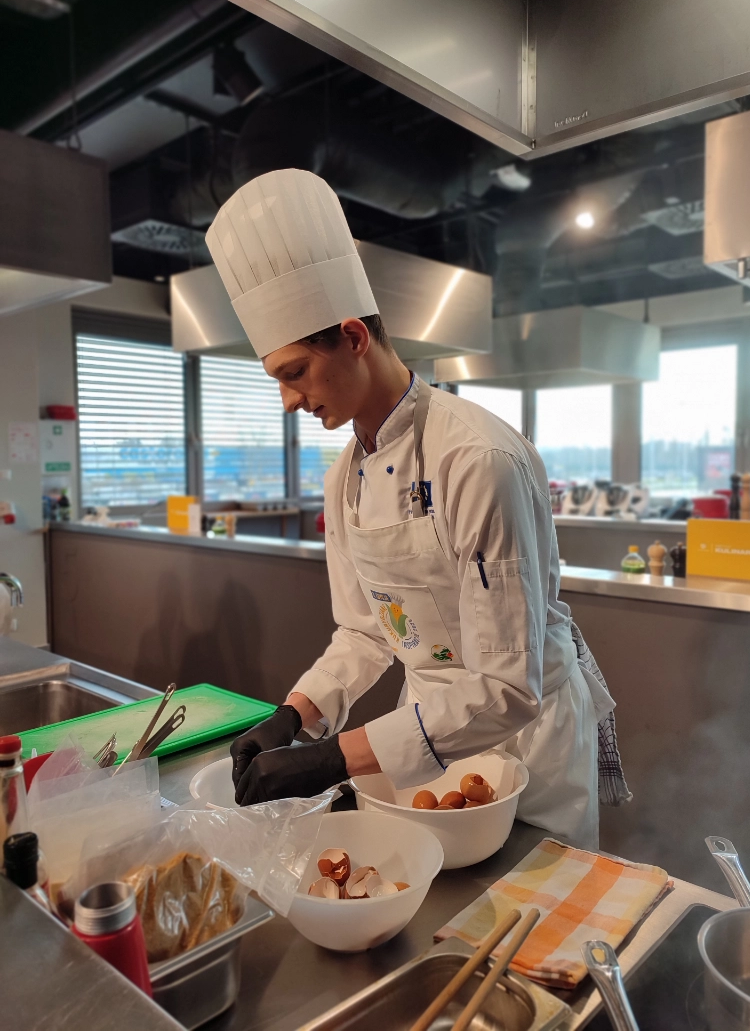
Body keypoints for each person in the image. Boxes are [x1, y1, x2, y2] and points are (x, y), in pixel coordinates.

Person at [206, 168, 628, 849]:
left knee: (529, 899)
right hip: (422, 733)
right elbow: (368, 633)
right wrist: (296, 715)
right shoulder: (346, 478)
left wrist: (334, 759)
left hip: (529, 740)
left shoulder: (477, 459)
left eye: (294, 373)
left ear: (353, 337)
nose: (288, 401)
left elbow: (506, 688)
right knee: (429, 885)